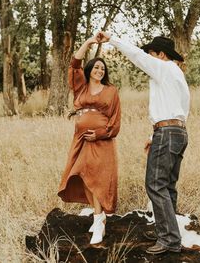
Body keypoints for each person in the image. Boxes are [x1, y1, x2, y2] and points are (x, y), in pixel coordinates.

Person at [97, 32, 190, 254]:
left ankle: (169, 239)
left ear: (161, 54)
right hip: (177, 132)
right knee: (167, 185)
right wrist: (153, 136)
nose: (148, 57)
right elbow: (180, 110)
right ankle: (164, 229)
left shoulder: (164, 67)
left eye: (152, 53)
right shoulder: (176, 75)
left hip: (167, 133)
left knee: (155, 184)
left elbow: (136, 56)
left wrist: (112, 39)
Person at [58, 35, 121, 245]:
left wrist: (100, 133)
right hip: (81, 140)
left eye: (103, 69)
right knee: (82, 175)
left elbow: (115, 120)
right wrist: (90, 42)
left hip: (101, 140)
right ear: (89, 71)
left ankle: (99, 220)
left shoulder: (111, 91)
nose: (100, 71)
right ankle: (99, 217)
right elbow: (75, 62)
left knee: (98, 178)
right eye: (96, 68)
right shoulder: (81, 87)